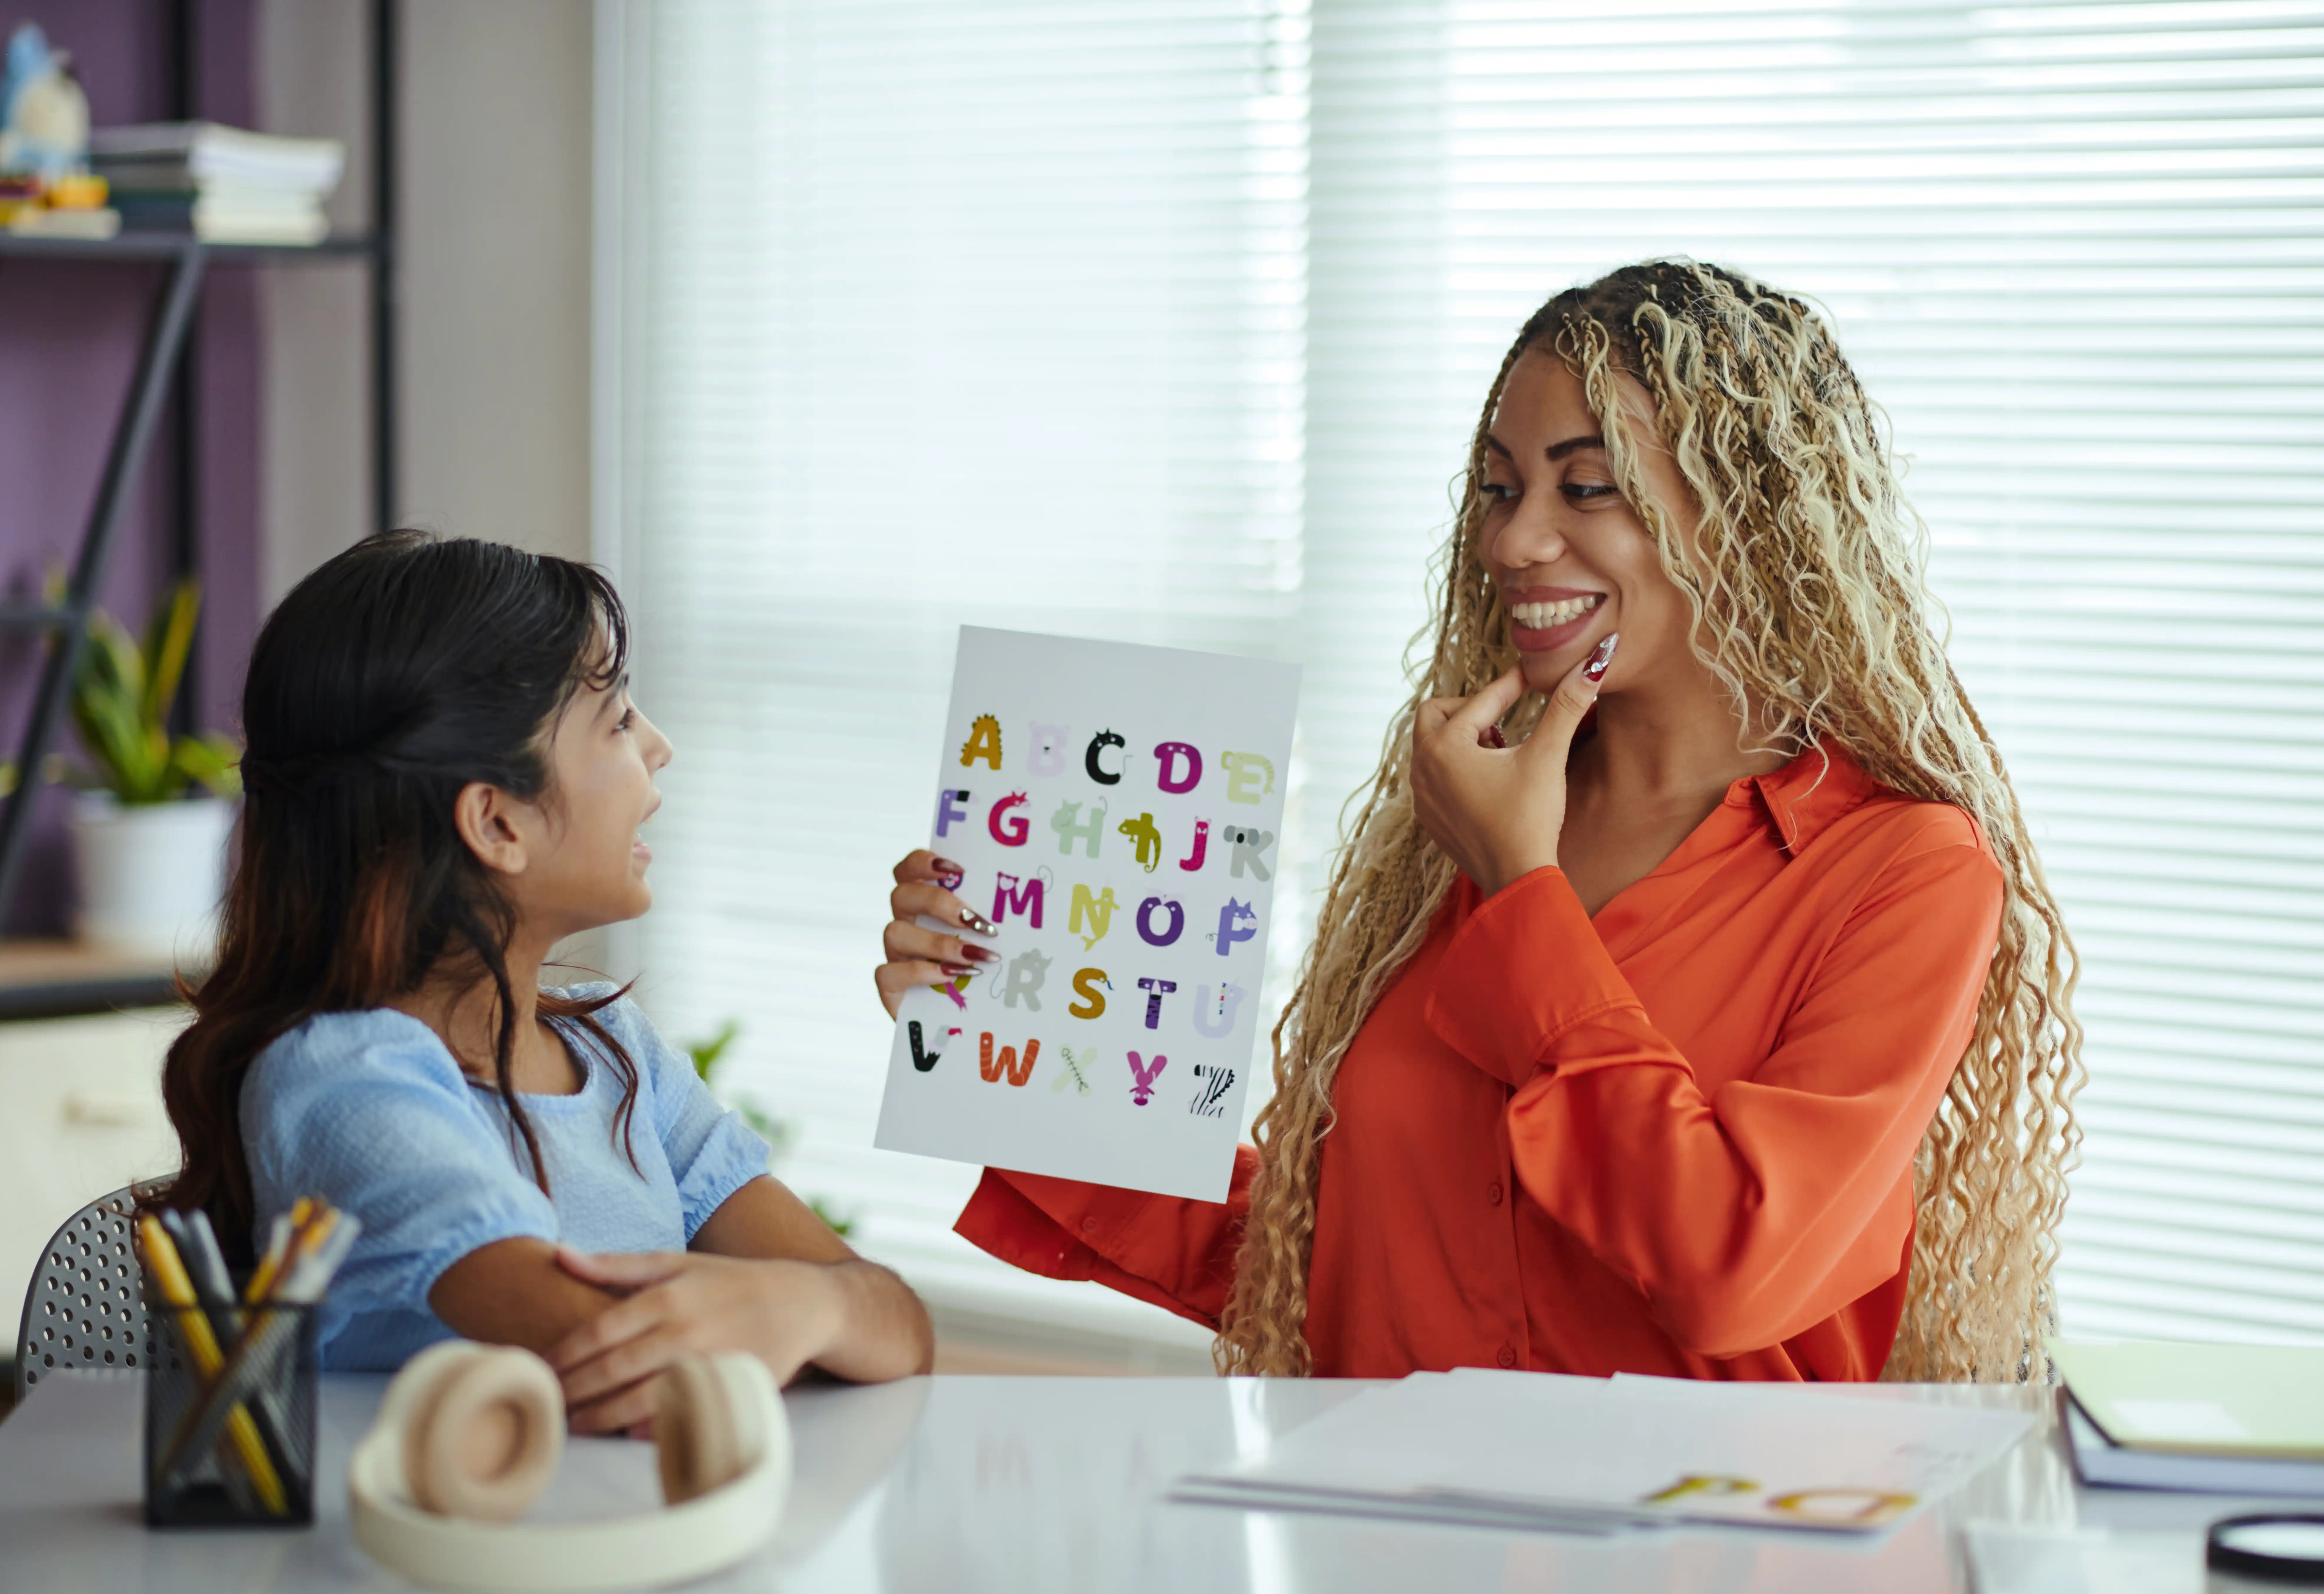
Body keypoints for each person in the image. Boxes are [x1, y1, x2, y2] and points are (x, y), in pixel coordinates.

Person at [875, 260, 2083, 1383]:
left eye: (1584, 486)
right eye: (1499, 489)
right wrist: (1010, 1043)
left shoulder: (1901, 872)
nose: (1512, 541)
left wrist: (1522, 895)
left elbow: (1736, 1265)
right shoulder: (1449, 837)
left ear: (1751, 519)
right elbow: (1330, 1256)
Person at [161, 531, 930, 1432]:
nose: (660, 745)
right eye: (615, 720)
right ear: (496, 821)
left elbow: (899, 1325)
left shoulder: (615, 1057)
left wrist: (817, 1308)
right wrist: (783, 1311)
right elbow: (623, 1361)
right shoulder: (341, 1080)